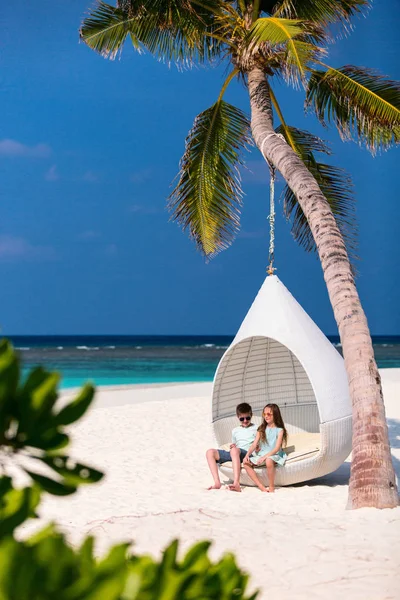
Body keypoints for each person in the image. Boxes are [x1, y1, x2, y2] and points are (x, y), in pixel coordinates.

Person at [206, 402, 257, 492]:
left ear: (251, 415)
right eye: (242, 418)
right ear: (238, 417)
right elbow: (236, 444)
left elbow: (261, 442)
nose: (245, 420)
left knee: (234, 451)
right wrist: (233, 446)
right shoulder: (235, 431)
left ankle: (236, 483)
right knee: (210, 452)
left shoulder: (257, 428)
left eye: (247, 418)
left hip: (248, 454)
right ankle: (217, 482)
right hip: (236, 453)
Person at [243, 403, 288, 493]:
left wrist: (264, 457)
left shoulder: (280, 430)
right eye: (264, 414)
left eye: (269, 414)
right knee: (246, 464)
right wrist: (246, 455)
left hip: (274, 454)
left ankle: (271, 486)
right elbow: (253, 444)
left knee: (268, 460)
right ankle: (261, 486)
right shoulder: (261, 429)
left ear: (275, 415)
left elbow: (276, 448)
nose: (266, 416)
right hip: (262, 454)